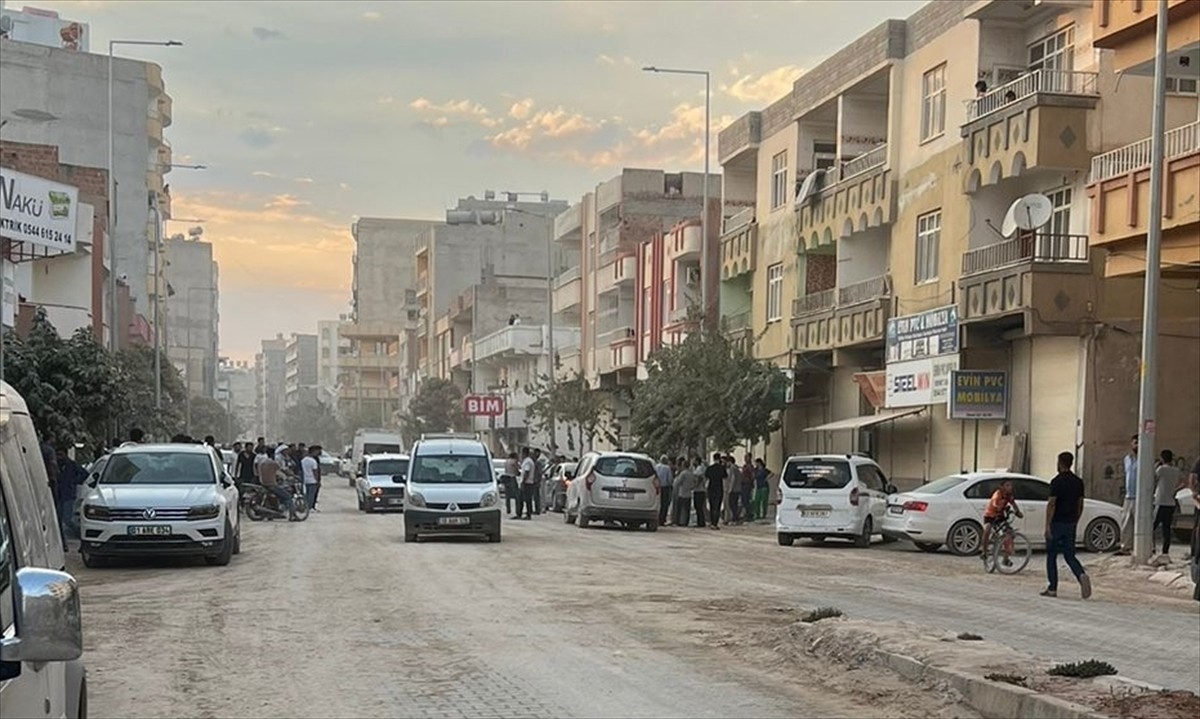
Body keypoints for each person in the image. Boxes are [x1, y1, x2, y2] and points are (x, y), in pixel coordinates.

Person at [1042, 451, 1092, 599]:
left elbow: (1052, 504)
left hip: (1057, 522)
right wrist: (1076, 519)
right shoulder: (1078, 482)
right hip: (1071, 522)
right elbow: (1080, 503)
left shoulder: (1056, 481)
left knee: (1051, 555)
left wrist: (1047, 525)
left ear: (1060, 463)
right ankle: (1081, 574)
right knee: (1069, 555)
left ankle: (1052, 588)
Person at [980, 479, 1024, 560]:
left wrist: (1017, 512)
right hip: (990, 515)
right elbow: (995, 504)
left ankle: (1006, 558)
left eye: (1010, 485)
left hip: (1000, 516)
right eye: (1007, 485)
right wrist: (1001, 505)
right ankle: (984, 551)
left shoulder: (1009, 495)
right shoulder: (998, 494)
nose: (1010, 487)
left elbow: (1014, 504)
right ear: (1002, 487)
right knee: (987, 529)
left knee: (1009, 533)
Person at [1152, 450, 1183, 556]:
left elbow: (1153, 478)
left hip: (1160, 502)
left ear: (1162, 458)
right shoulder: (1176, 470)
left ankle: (1152, 547)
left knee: (1152, 526)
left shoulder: (1161, 470)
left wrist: (1156, 466)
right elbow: (1183, 482)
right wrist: (1175, 490)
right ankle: (1165, 551)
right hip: (1171, 503)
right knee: (1167, 528)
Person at [55, 446, 87, 540]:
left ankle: (80, 534)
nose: (59, 457)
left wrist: (73, 482)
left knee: (67, 519)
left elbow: (84, 474)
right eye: (57, 455)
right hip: (59, 494)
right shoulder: (56, 465)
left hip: (69, 495)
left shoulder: (72, 465)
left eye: (61, 454)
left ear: (65, 454)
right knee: (59, 519)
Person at [258, 449, 295, 520]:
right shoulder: (273, 463)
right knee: (288, 497)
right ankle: (292, 516)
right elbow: (283, 470)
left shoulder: (261, 462)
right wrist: (291, 474)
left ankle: (272, 513)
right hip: (272, 484)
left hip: (263, 483)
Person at [1118, 434, 1138, 555]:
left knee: (1141, 523)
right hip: (1129, 495)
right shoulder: (1127, 459)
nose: (1137, 445)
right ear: (1131, 444)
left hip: (1140, 497)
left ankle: (1147, 547)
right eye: (1135, 442)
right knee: (1125, 523)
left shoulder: (1145, 458)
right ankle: (1125, 547)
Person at [672, 456, 695, 528]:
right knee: (687, 509)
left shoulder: (683, 473)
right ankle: (686, 522)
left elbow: (678, 482)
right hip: (688, 493)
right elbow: (693, 483)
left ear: (683, 465)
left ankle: (678, 521)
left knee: (679, 508)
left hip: (682, 493)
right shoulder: (691, 473)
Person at [704, 453, 725, 530]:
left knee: (712, 505)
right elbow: (725, 476)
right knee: (718, 506)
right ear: (719, 458)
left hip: (711, 488)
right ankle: (715, 523)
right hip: (719, 488)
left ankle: (712, 522)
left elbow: (706, 477)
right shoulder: (722, 468)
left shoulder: (710, 468)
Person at [300, 446, 320, 514]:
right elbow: (315, 471)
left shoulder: (303, 460)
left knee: (306, 495)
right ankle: (310, 507)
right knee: (311, 495)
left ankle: (305, 507)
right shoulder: (313, 461)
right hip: (312, 480)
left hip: (305, 480)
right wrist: (317, 480)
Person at [518, 447, 537, 520]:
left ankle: (528, 514)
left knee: (527, 499)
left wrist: (523, 481)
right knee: (521, 499)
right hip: (526, 482)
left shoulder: (528, 461)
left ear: (524, 453)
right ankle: (519, 514)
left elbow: (527, 471)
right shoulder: (526, 461)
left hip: (527, 483)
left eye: (521, 453)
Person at [655, 455, 674, 526]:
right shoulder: (667, 468)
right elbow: (669, 479)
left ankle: (656, 518)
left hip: (657, 487)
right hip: (665, 488)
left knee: (657, 503)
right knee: (664, 504)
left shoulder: (656, 467)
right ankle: (662, 520)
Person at [40, 439, 60, 505]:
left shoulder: (40, 447)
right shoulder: (50, 451)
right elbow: (52, 465)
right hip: (50, 478)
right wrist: (53, 477)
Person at [691, 457, 708, 528]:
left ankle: (701, 522)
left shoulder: (699, 468)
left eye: (694, 461)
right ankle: (700, 521)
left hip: (699, 490)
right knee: (698, 507)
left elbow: (700, 478)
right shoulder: (699, 468)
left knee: (698, 506)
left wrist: (695, 485)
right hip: (700, 490)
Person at [740, 454, 755, 522]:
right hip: (743, 484)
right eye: (745, 457)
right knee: (743, 500)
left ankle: (749, 515)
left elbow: (752, 475)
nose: (745, 459)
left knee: (746, 500)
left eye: (747, 457)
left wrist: (750, 481)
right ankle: (746, 514)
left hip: (747, 484)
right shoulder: (745, 466)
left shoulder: (750, 467)